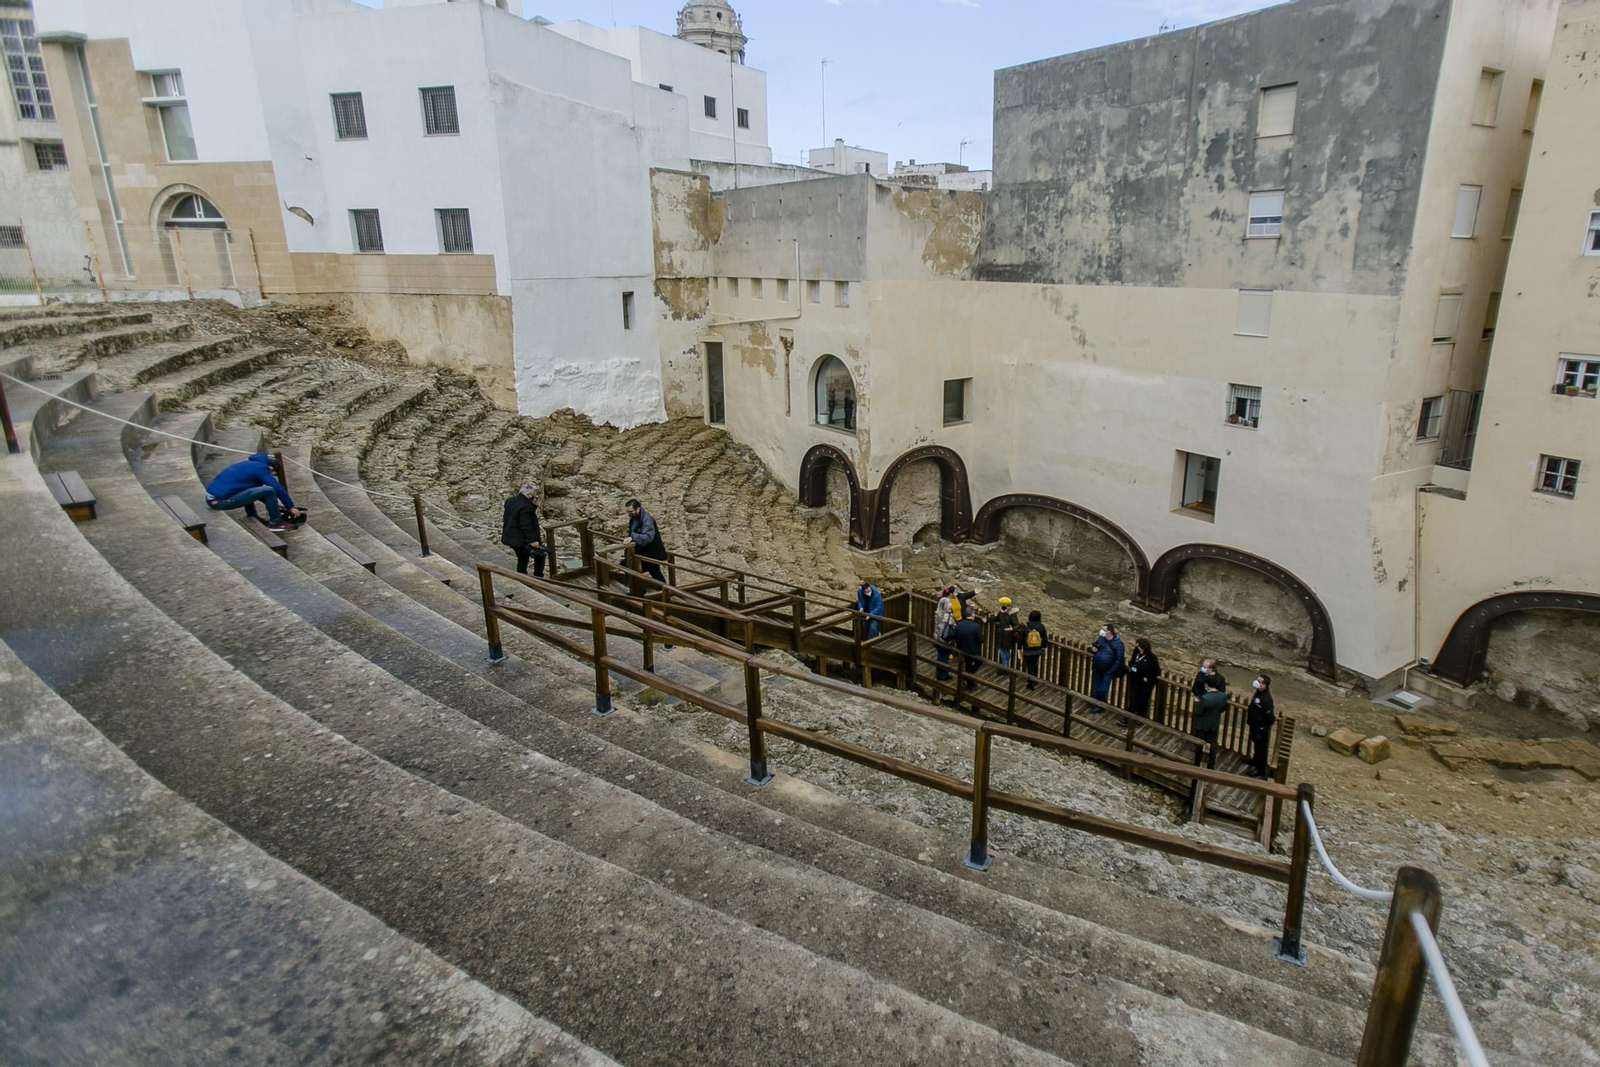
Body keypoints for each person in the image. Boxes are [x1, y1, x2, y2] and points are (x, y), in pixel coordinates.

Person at [205, 452, 301, 531]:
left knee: (254, 489)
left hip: (213, 498)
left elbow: (250, 491)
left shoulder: (250, 464)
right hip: (220, 501)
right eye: (272, 475)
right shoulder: (261, 469)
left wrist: (276, 504)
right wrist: (290, 507)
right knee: (269, 490)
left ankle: (252, 515)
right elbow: (276, 487)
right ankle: (276, 523)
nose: (270, 476)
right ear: (271, 468)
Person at [500, 483, 543, 577]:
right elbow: (526, 525)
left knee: (522, 558)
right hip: (521, 539)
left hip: (510, 535)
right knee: (539, 556)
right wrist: (533, 540)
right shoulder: (526, 507)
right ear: (529, 495)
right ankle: (537, 578)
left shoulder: (510, 501)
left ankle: (523, 577)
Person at [623, 499, 668, 583]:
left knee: (652, 571)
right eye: (628, 511)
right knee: (654, 571)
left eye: (631, 511)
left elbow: (648, 537)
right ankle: (663, 591)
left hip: (650, 553)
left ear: (638, 509)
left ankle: (662, 591)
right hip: (643, 551)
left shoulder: (647, 519)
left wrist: (633, 538)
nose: (629, 513)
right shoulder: (634, 517)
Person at [1245, 673, 1277, 778]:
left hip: (1261, 728)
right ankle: (1255, 760)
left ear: (1264, 685)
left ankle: (1260, 769)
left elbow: (1270, 717)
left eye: (1259, 682)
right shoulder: (1258, 693)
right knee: (1256, 746)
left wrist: (1262, 726)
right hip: (1254, 725)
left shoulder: (1266, 698)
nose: (1256, 682)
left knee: (1261, 749)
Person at [1193, 675, 1227, 769]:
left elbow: (1198, 711)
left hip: (1202, 724)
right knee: (1212, 742)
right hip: (1213, 723)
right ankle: (1211, 762)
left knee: (1200, 743)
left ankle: (1198, 761)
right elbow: (1223, 708)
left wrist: (1197, 703)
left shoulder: (1205, 698)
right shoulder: (1222, 696)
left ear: (1206, 685)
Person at [1088, 622, 1124, 704]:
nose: (1101, 631)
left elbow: (1119, 660)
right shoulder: (1101, 638)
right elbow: (1095, 645)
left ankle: (1093, 701)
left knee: (1103, 689)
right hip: (1097, 667)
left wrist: (1111, 671)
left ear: (1109, 633)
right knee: (1097, 686)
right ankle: (1097, 705)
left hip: (1108, 670)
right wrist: (1093, 649)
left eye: (1103, 630)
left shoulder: (1118, 644)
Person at [1125, 638, 1160, 719]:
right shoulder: (1136, 652)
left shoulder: (1152, 658)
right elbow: (1133, 661)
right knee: (1133, 699)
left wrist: (1148, 679)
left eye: (1139, 646)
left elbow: (1156, 672)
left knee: (1142, 701)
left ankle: (1140, 717)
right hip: (1134, 680)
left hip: (1144, 685)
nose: (1137, 647)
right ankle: (1129, 717)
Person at [953, 614, 985, 689]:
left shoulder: (959, 625)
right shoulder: (976, 626)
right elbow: (980, 640)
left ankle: (969, 681)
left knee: (968, 664)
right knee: (978, 662)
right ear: (973, 616)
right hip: (972, 650)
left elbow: (956, 636)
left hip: (962, 648)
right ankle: (967, 677)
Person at [1019, 609, 1047, 689]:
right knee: (1035, 664)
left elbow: (1021, 638)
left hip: (1027, 650)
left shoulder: (1026, 626)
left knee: (1030, 666)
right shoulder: (1041, 627)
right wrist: (1044, 647)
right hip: (1038, 650)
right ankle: (1035, 679)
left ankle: (1031, 683)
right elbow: (1045, 639)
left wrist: (1020, 647)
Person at [933, 585, 956, 680]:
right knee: (945, 657)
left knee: (940, 656)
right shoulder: (947, 615)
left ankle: (938, 673)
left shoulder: (937, 613)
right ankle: (943, 675)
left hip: (937, 637)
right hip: (945, 639)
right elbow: (953, 625)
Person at [992, 596, 1021, 668]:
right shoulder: (1001, 613)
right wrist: (987, 619)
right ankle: (1004, 666)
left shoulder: (1012, 614)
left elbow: (1017, 625)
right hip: (1002, 635)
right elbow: (996, 618)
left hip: (1008, 636)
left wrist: (1012, 629)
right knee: (1003, 651)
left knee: (1005, 651)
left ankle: (1004, 666)